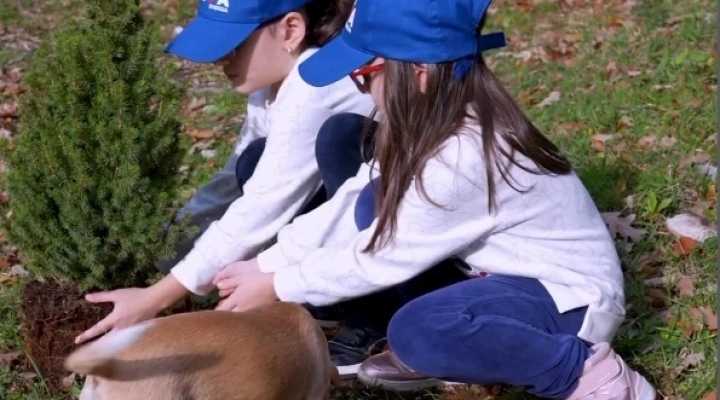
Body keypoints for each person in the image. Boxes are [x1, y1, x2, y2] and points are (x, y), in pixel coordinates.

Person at [208, 0, 658, 398]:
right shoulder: (429, 129)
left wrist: (279, 284)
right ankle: (464, 344)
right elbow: (349, 208)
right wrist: (269, 262)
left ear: (418, 76)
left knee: (416, 331)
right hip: (501, 279)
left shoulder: (463, 156)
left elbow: (380, 259)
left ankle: (587, 375)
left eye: (364, 77)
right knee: (372, 201)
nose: (359, 90)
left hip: (567, 303)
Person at [75, 0, 376, 355]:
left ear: (291, 30)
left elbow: (264, 204)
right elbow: (232, 182)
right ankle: (329, 298)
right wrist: (163, 253)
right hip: (344, 207)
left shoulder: (314, 87)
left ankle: (374, 315)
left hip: (401, 226)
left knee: (336, 140)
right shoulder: (273, 83)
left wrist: (158, 295)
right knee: (252, 160)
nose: (221, 61)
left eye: (234, 46)